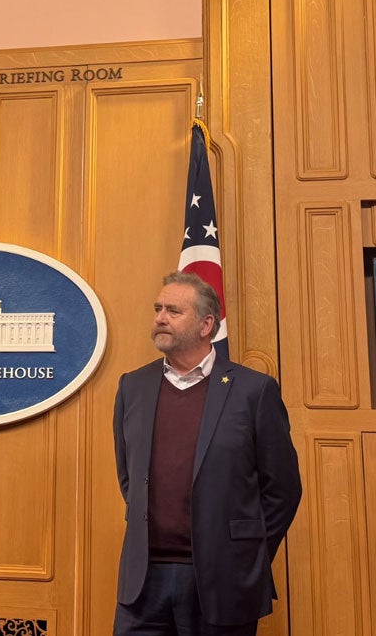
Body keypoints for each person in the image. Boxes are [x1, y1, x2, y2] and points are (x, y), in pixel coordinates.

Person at [112, 271, 301, 635]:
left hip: (223, 579)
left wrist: (246, 553)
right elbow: (128, 477)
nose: (160, 318)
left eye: (173, 311)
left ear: (206, 324)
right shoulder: (132, 386)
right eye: (158, 308)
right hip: (143, 582)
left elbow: (283, 490)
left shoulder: (254, 390)